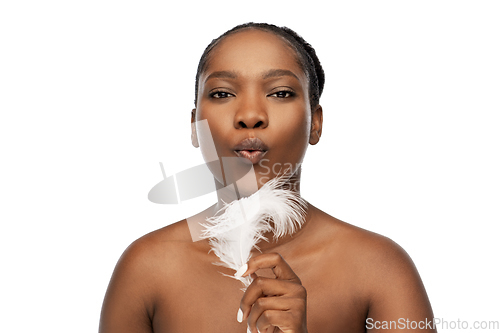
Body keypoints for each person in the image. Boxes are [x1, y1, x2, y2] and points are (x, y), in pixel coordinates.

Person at [99, 22, 436, 333]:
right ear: (194, 126)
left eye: (280, 93)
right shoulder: (145, 269)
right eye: (221, 94)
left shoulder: (380, 269)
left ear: (315, 123)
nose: (250, 116)